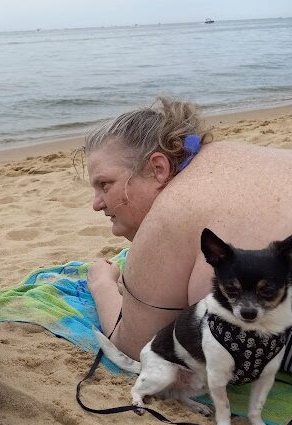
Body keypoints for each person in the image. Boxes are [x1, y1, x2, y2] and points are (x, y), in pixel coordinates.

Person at [83, 97, 292, 370]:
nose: (97, 203)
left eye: (105, 184)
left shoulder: (172, 209)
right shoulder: (229, 155)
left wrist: (101, 284)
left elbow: (138, 347)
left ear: (158, 168)